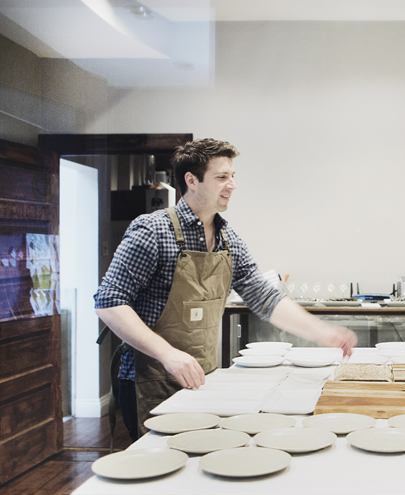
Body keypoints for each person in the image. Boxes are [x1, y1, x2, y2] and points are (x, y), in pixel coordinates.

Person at [95, 138, 357, 439]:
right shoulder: (152, 231)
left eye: (232, 177)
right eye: (222, 177)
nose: (232, 185)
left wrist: (322, 332)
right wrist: (168, 354)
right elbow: (109, 301)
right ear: (191, 180)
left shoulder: (227, 239)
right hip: (151, 377)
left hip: (203, 376)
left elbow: (264, 297)